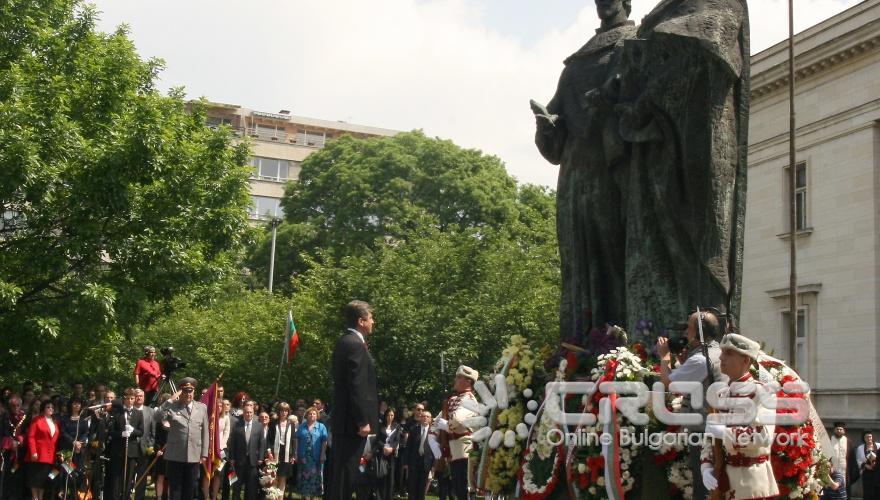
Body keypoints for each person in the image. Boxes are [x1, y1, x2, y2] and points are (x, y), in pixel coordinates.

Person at [532, 0, 637, 337]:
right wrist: (548, 127)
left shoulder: (634, 44)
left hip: (611, 168)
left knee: (611, 252)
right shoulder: (575, 65)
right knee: (576, 261)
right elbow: (555, 134)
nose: (604, 3)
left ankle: (620, 341)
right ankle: (579, 342)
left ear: (626, 2)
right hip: (575, 174)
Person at [656, 309, 728, 499]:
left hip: (703, 429)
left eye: (688, 328)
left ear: (697, 333)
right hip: (719, 426)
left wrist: (664, 357)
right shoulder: (719, 352)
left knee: (703, 486)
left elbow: (669, 383)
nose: (685, 333)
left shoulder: (700, 358)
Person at [700, 333, 778, 499]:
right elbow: (710, 439)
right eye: (722, 352)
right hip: (722, 483)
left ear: (746, 360)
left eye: (729, 353)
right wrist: (706, 466)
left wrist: (725, 433)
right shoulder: (721, 395)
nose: (721, 357)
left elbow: (763, 436)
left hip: (752, 485)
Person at [329, 300, 378, 500]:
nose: (373, 322)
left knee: (341, 476)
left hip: (345, 422)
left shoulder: (344, 342)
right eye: (370, 318)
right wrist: (362, 420)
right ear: (361, 321)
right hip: (353, 424)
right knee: (347, 476)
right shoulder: (355, 345)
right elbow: (356, 386)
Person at [159, 377, 210, 500]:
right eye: (185, 391)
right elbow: (156, 416)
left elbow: (205, 432)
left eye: (190, 391)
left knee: (190, 488)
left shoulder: (202, 407)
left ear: (194, 391)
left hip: (194, 454)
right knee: (175, 489)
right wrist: (170, 400)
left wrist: (204, 454)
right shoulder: (173, 406)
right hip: (175, 454)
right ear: (180, 391)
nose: (188, 394)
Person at [435, 365, 479, 500]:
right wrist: (433, 436)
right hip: (452, 450)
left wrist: (446, 425)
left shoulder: (470, 400)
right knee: (454, 488)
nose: (455, 380)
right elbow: (437, 420)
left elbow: (458, 421)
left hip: (463, 449)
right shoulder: (452, 400)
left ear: (468, 382)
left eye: (459, 377)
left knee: (463, 487)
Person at [108, 391, 144, 500]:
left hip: (132, 450)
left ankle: (126, 496)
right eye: (128, 399)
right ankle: (115, 497)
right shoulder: (117, 412)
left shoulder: (138, 413)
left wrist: (133, 431)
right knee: (117, 477)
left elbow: (141, 431)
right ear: (124, 399)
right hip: (118, 449)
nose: (130, 401)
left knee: (129, 477)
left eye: (132, 399)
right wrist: (121, 434)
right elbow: (111, 431)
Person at [228, 404, 265, 500]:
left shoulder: (259, 426)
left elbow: (262, 443)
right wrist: (231, 457)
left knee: (251, 487)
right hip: (238, 461)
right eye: (246, 412)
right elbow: (232, 443)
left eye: (250, 412)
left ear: (253, 413)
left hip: (253, 462)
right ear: (243, 413)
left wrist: (261, 458)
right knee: (236, 486)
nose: (248, 414)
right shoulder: (237, 425)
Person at [26, 400, 60, 500]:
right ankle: (35, 497)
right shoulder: (37, 419)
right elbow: (31, 437)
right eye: (48, 407)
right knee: (35, 479)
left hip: (50, 456)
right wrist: (33, 452)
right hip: (37, 455)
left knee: (44, 480)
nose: (50, 409)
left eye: (52, 407)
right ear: (43, 409)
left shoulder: (55, 422)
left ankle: (40, 498)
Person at [295, 406, 328, 500]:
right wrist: (296, 453)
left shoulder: (321, 427)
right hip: (303, 457)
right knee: (303, 477)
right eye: (310, 413)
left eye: (314, 413)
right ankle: (303, 497)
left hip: (316, 457)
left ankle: (312, 498)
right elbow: (296, 438)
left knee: (314, 478)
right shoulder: (302, 426)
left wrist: (323, 454)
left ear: (317, 415)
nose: (311, 415)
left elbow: (324, 441)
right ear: (307, 415)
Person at [405, 409, 436, 500]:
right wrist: (406, 462)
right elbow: (408, 447)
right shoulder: (413, 430)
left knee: (422, 487)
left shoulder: (433, 432)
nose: (425, 418)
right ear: (420, 418)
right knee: (412, 487)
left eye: (427, 416)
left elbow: (435, 450)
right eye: (423, 416)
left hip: (426, 463)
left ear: (430, 419)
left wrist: (434, 465)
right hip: (414, 462)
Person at [267, 402, 297, 497]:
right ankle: (272, 498)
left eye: (286, 411)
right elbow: (269, 439)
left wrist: (293, 455)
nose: (284, 412)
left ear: (288, 412)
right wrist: (269, 452)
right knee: (273, 477)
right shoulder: (273, 423)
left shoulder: (291, 424)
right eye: (282, 410)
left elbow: (293, 440)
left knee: (283, 478)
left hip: (287, 454)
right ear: (278, 411)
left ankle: (280, 498)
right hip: (274, 453)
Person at [132, 389, 157, 500]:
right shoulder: (129, 410)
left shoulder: (150, 411)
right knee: (129, 474)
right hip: (130, 447)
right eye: (136, 396)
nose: (139, 398)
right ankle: (126, 495)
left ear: (144, 397)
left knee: (142, 475)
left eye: (141, 396)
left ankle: (139, 497)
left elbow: (153, 432)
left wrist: (150, 445)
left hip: (144, 448)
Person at [374, 408, 400, 500]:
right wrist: (384, 447)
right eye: (388, 415)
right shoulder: (380, 426)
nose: (390, 417)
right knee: (381, 476)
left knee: (390, 477)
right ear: (385, 416)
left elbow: (397, 440)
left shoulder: (397, 426)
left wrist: (391, 448)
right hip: (381, 454)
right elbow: (377, 439)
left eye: (392, 415)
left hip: (391, 455)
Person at [857, 431, 879, 500]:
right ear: (864, 438)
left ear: (872, 437)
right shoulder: (860, 448)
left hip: (877, 473)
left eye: (870, 436)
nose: (869, 438)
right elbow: (858, 460)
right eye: (866, 437)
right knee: (867, 492)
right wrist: (866, 465)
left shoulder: (878, 446)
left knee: (877, 492)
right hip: (866, 473)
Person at [831, 422, 848, 494]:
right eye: (837, 429)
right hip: (831, 471)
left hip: (845, 472)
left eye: (841, 429)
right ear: (834, 430)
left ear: (843, 431)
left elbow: (851, 458)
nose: (839, 431)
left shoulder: (848, 441)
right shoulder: (829, 439)